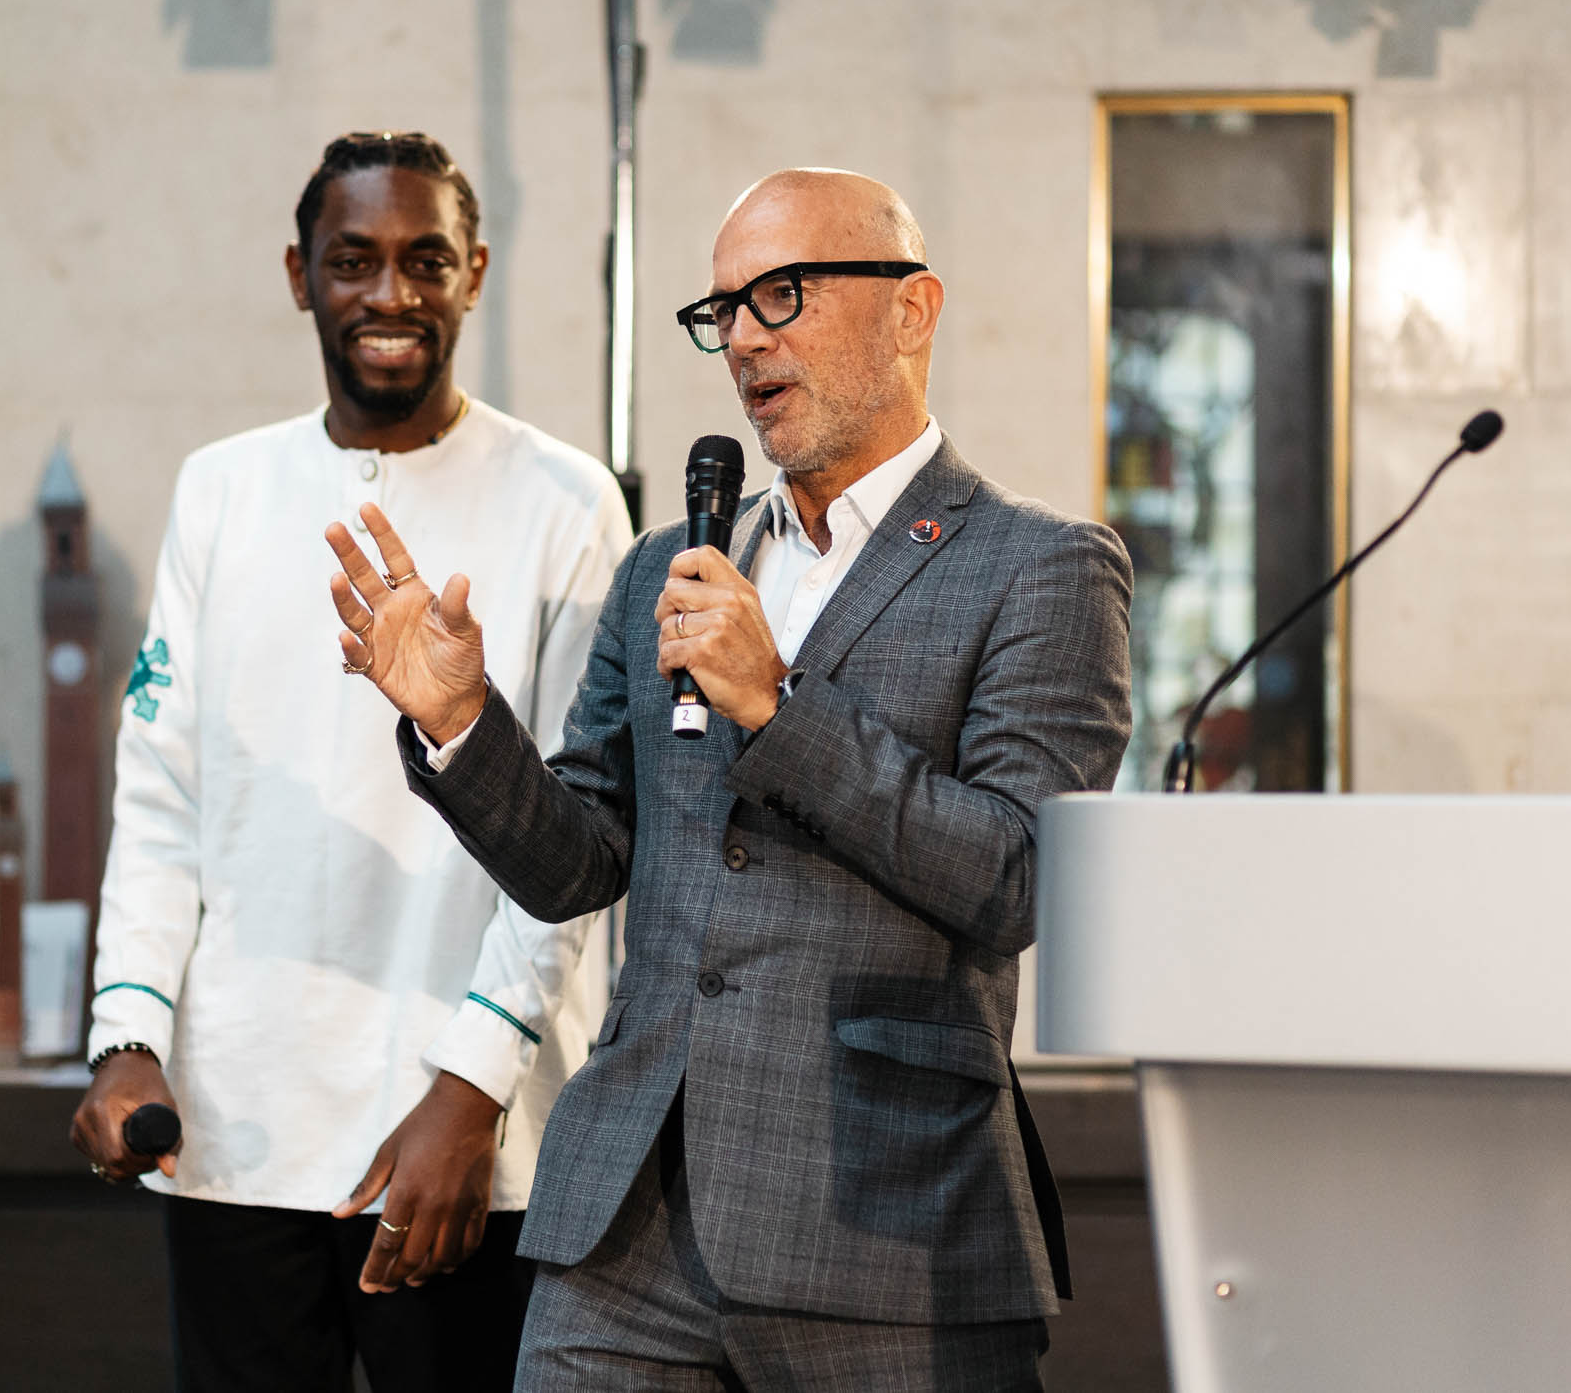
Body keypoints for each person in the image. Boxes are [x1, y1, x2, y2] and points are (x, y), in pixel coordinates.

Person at [326, 169, 1133, 1391]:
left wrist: (780, 709)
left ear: (911, 309)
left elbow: (1018, 878)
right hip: (624, 1227)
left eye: (782, 294)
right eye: (723, 311)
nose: (746, 339)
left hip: (883, 1225)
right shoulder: (671, 563)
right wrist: (460, 725)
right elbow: (577, 864)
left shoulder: (1041, 567)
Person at [70, 131, 634, 1393]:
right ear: (299, 275)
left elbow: (583, 836)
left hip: (460, 1138)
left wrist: (473, 1088)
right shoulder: (220, 490)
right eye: (353, 261)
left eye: (425, 260)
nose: (391, 294)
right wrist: (126, 1034)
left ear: (473, 273)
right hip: (235, 1125)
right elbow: (161, 798)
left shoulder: (569, 502)